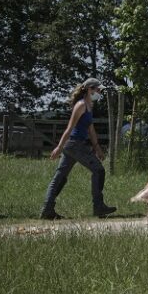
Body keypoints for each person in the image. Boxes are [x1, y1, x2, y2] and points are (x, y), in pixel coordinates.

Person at [40, 78, 116, 219]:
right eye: (98, 90)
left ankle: (47, 210)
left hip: (75, 145)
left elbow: (90, 128)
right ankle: (98, 207)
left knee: (60, 178)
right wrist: (59, 147)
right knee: (98, 170)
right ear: (89, 89)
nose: (99, 93)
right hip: (74, 144)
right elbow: (69, 128)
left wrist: (97, 147)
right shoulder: (80, 105)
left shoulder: (89, 105)